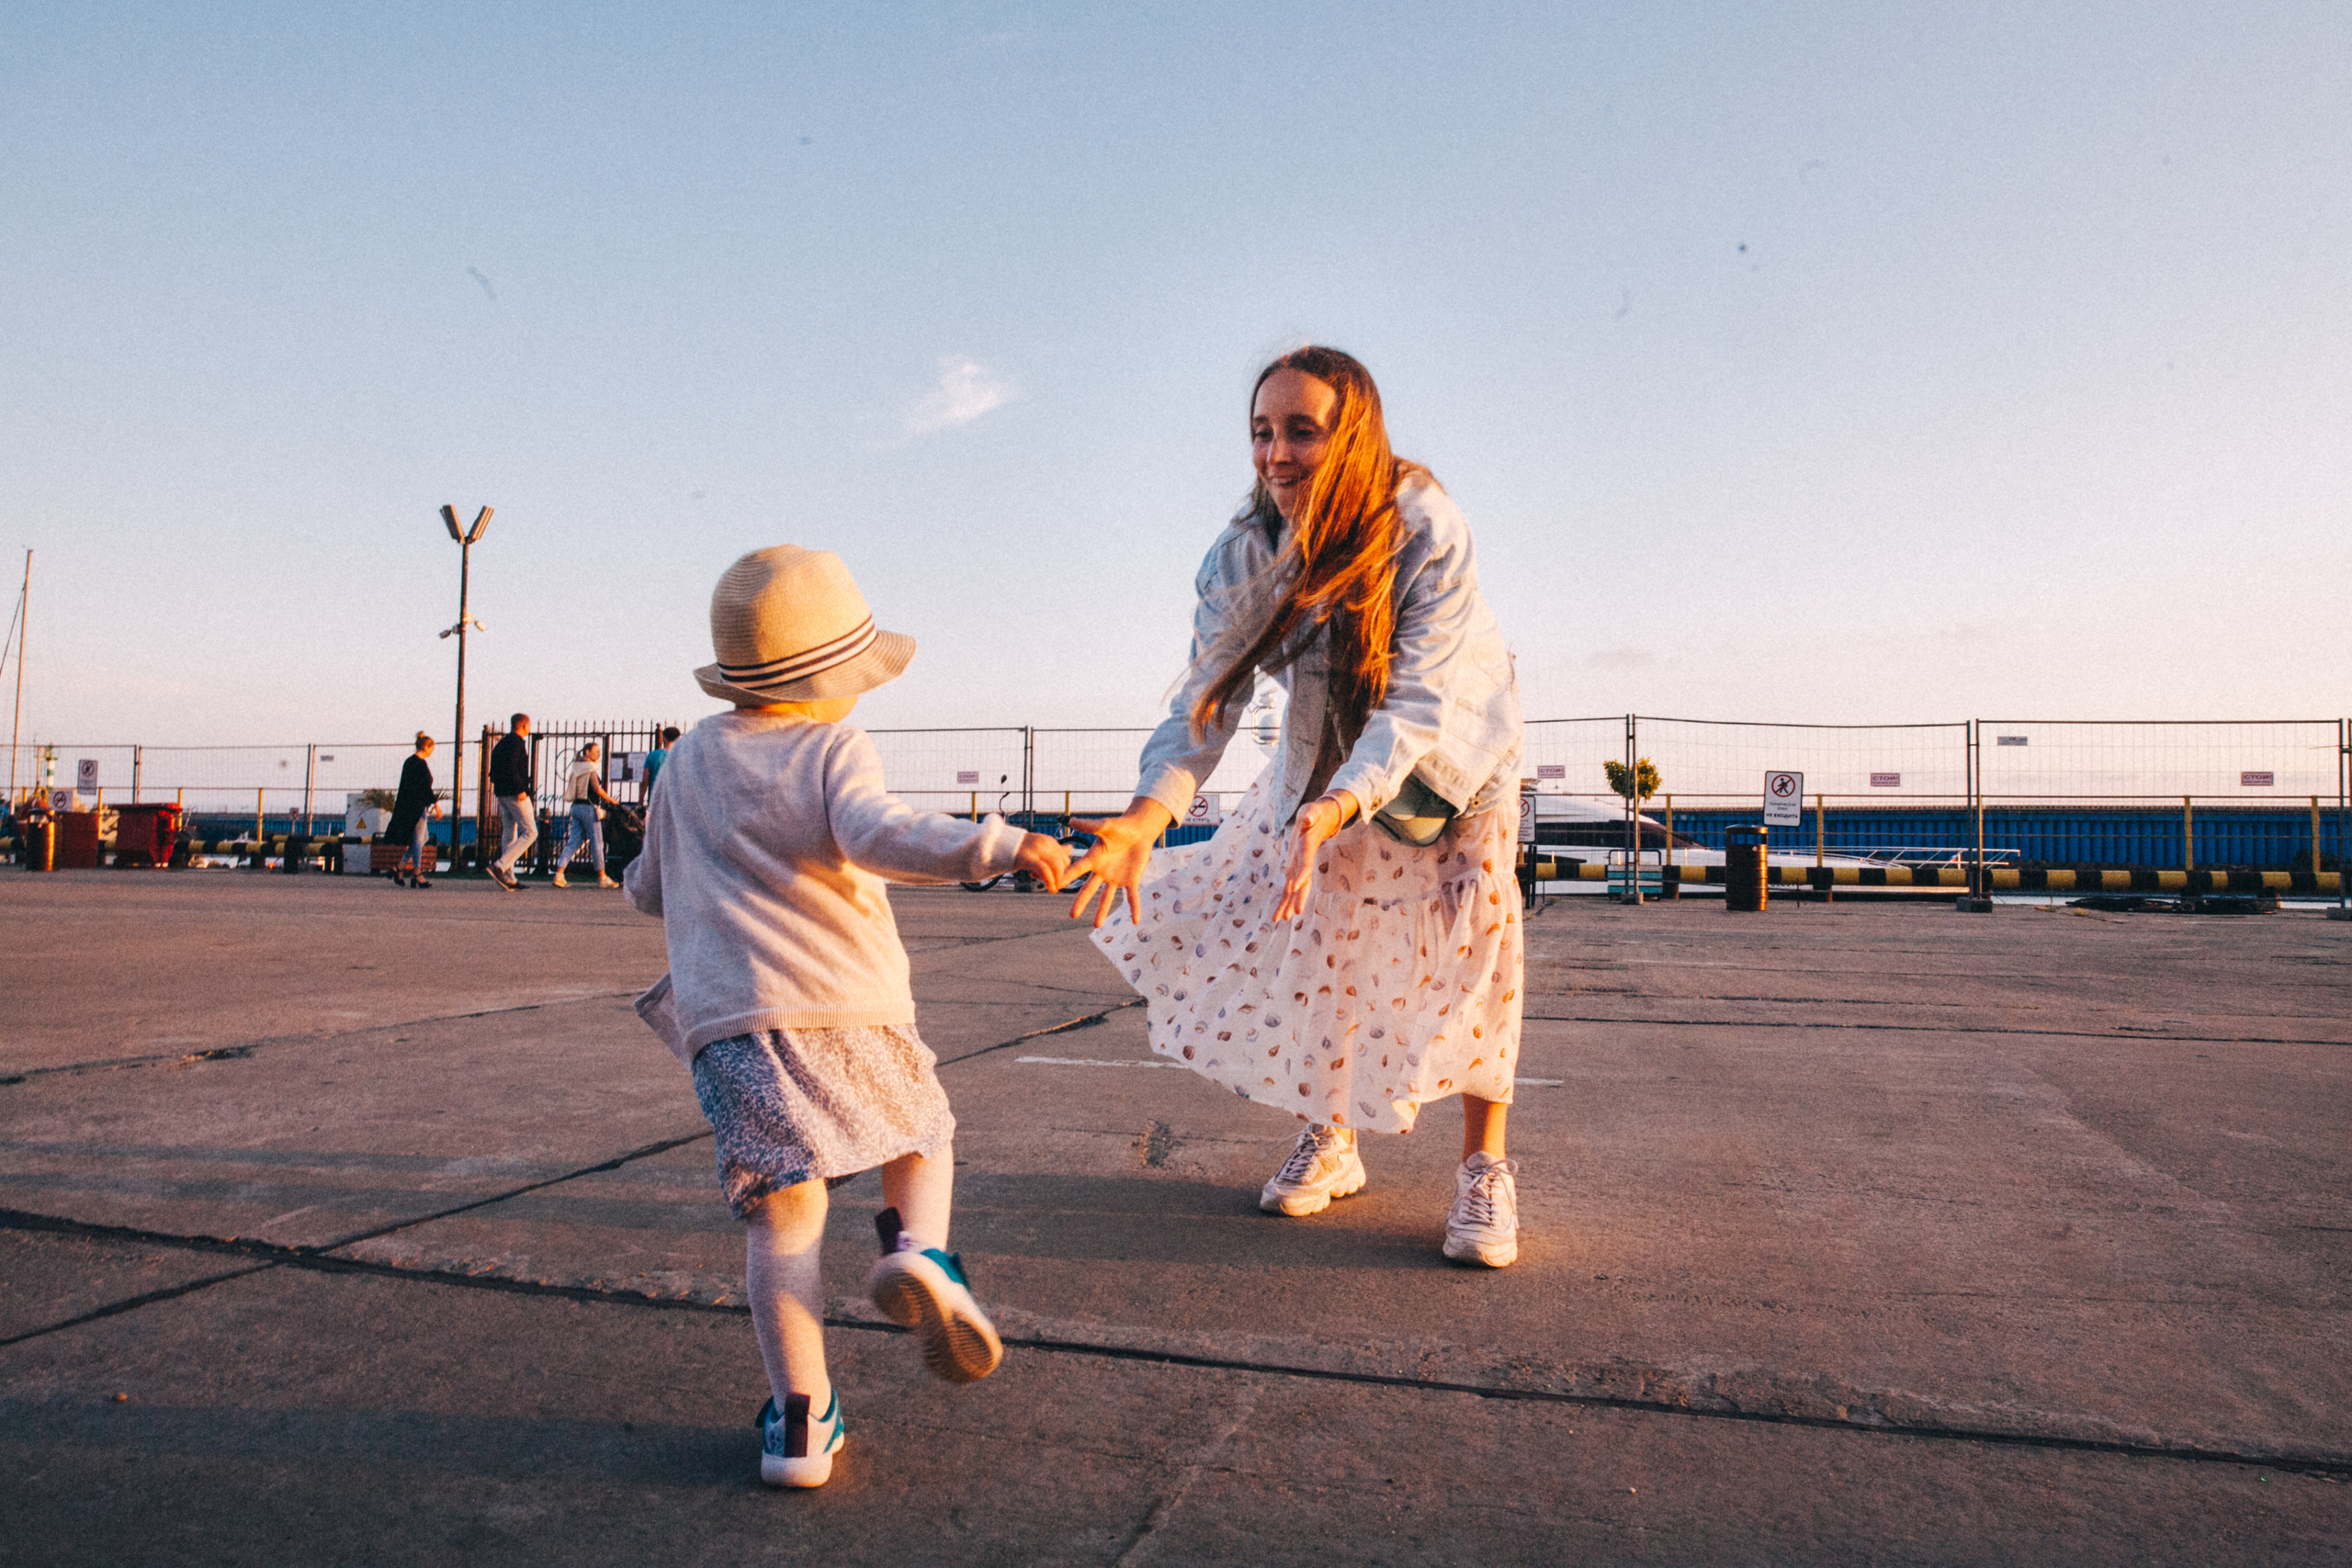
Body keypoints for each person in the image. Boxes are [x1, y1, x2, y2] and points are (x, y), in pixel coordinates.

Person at [1068, 345, 1529, 1267]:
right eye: (1261, 433)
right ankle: (1332, 1137)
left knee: (1474, 943)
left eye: (1301, 433)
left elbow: (1419, 704)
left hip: (1453, 755)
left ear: (1351, 436)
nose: (1275, 454)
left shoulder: (1422, 525)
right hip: (1324, 753)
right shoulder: (1241, 557)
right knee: (1322, 938)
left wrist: (1343, 802)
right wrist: (1143, 819)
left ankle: (1484, 1169)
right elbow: (1206, 705)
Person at [625, 545, 1069, 1487]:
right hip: (846, 1006)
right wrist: (1001, 842)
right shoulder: (832, 747)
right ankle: (923, 1254)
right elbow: (880, 835)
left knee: (782, 1221)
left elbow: (648, 891)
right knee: (922, 1134)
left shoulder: (686, 759)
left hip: (732, 1027)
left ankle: (799, 1421)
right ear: (835, 677)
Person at [551, 741, 620, 888]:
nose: (598, 754)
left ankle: (559, 873)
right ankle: (602, 876)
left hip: (576, 807)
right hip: (589, 808)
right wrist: (612, 800)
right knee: (597, 842)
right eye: (596, 751)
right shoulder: (590, 769)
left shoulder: (576, 768)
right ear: (587, 752)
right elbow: (597, 789)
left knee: (574, 841)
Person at [384, 733, 443, 889]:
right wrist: (436, 805)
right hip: (416, 808)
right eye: (432, 749)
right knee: (418, 840)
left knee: (423, 839)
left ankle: (399, 867)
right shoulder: (420, 764)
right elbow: (425, 787)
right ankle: (417, 873)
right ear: (426, 747)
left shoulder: (409, 762)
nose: (432, 752)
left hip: (408, 807)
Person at [487, 713, 537, 891]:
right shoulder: (517, 743)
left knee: (509, 834)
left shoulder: (502, 743)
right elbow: (511, 766)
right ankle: (499, 866)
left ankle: (509, 878)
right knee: (531, 832)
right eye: (529, 726)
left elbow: (494, 769)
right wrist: (520, 788)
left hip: (502, 793)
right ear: (523, 726)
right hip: (516, 793)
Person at [643, 726, 681, 793]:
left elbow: (645, 780)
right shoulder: (682, 756)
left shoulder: (652, 755)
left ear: (665, 738)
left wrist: (640, 800)